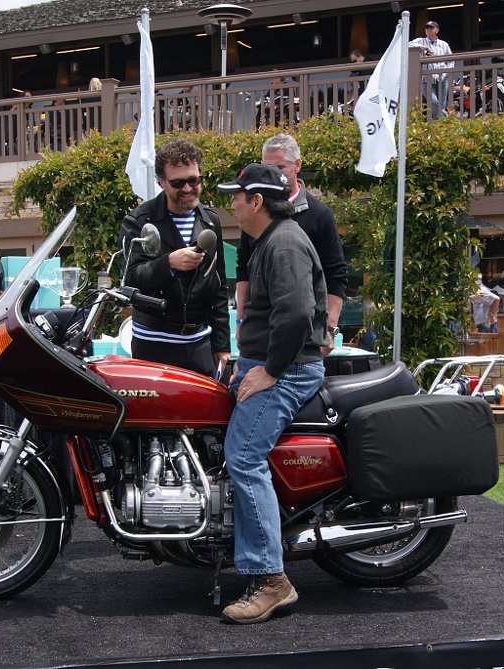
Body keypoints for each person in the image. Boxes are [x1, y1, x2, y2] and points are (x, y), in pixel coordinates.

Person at [216, 163, 327, 624]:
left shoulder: (283, 243)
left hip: (289, 369)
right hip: (266, 363)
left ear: (257, 201)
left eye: (238, 196)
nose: (232, 204)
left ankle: (271, 579)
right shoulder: (269, 240)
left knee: (243, 457)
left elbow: (297, 313)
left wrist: (270, 370)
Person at [118, 138, 230, 377]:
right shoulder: (139, 221)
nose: (188, 188)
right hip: (154, 344)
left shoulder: (210, 221)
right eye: (178, 183)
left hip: (200, 343)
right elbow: (130, 278)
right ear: (161, 182)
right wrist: (168, 263)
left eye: (193, 180)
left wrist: (222, 344)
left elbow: (219, 287)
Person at [236, 134, 347, 357]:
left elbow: (336, 274)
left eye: (280, 167)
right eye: (268, 168)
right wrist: (240, 322)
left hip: (304, 339)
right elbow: (244, 269)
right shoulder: (254, 214)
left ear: (297, 166)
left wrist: (329, 328)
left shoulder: (319, 215)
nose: (274, 175)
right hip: (261, 335)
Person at [409, 21, 454, 119]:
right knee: (433, 102)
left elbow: (451, 61)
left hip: (442, 77)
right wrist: (425, 48)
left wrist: (446, 73)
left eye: (431, 27)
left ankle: (438, 124)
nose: (428, 29)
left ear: (437, 30)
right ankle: (444, 120)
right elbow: (407, 45)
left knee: (442, 104)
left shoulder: (443, 44)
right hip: (426, 78)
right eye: (427, 27)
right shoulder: (420, 41)